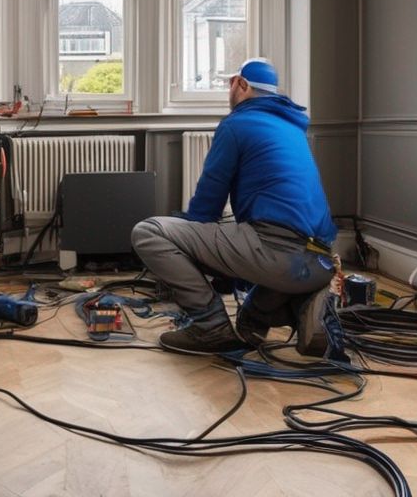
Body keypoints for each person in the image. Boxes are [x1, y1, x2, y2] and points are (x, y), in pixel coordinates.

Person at [132, 58, 337, 354]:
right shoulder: (291, 126)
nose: (229, 90)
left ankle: (209, 327)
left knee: (149, 232)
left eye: (231, 82)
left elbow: (206, 208)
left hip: (277, 255)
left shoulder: (237, 123)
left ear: (242, 85)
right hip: (321, 260)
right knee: (248, 315)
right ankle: (292, 306)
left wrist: (196, 253)